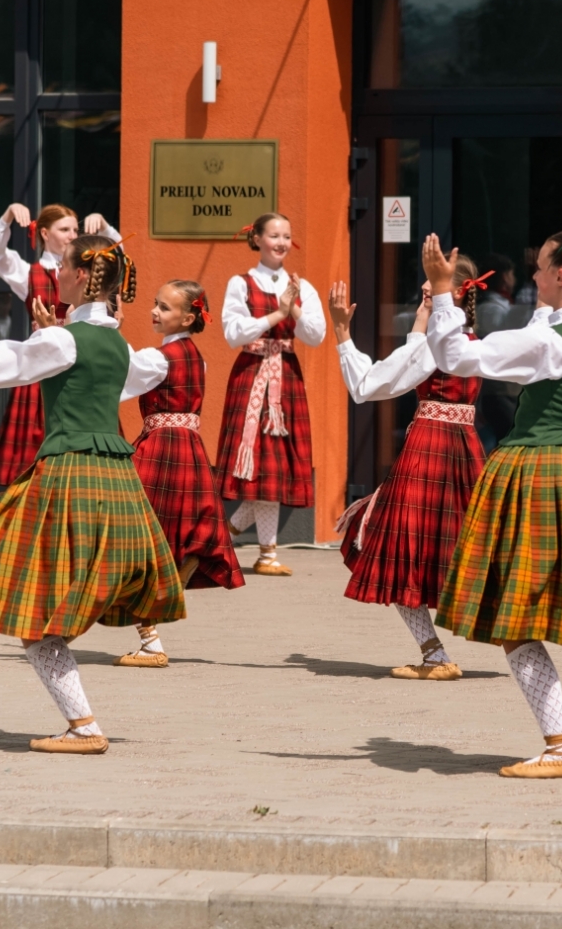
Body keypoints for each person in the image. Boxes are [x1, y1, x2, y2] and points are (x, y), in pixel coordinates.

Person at [424, 230, 562, 779]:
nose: (532, 277)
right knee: (530, 601)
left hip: (536, 471)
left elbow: (455, 356)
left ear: (561, 276)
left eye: (541, 268)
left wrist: (440, 291)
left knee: (514, 613)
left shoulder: (551, 340)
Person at [0, 236, 183, 754]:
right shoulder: (118, 346)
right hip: (117, 480)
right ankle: (84, 718)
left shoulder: (65, 341)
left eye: (62, 267)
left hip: (70, 477)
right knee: (50, 606)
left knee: (34, 611)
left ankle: (83, 727)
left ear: (80, 275)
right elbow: (112, 378)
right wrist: (56, 336)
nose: (55, 273)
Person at [330, 257, 486, 681]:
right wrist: (420, 324)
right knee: (468, 549)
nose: (423, 300)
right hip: (465, 448)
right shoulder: (473, 341)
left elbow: (369, 386)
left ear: (453, 295)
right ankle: (522, 636)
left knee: (396, 547)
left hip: (428, 448)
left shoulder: (433, 345)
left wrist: (343, 333)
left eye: (430, 292)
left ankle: (434, 654)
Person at [118, 281, 245, 668]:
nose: (155, 312)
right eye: (156, 305)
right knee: (185, 532)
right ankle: (168, 594)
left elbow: (120, 382)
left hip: (159, 452)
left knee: (137, 536)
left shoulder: (158, 358)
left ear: (188, 317)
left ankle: (151, 637)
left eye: (165, 308)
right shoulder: (196, 357)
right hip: (189, 449)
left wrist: (111, 331)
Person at [216, 212, 325, 576]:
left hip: (286, 378)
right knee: (261, 468)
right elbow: (233, 333)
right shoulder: (241, 283)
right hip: (252, 377)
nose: (280, 242)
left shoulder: (301, 286)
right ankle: (265, 554)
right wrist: (276, 314)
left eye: (286, 236)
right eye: (274, 235)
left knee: (275, 467)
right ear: (258, 239)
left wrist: (291, 306)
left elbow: (315, 335)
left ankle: (231, 540)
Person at [0, 203, 120, 486]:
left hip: (80, 361)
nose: (72, 235)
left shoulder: (86, 268)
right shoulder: (29, 272)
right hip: (42, 365)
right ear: (44, 233)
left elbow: (117, 259)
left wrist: (104, 226)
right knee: (35, 451)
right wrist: (7, 216)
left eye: (75, 229)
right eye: (64, 229)